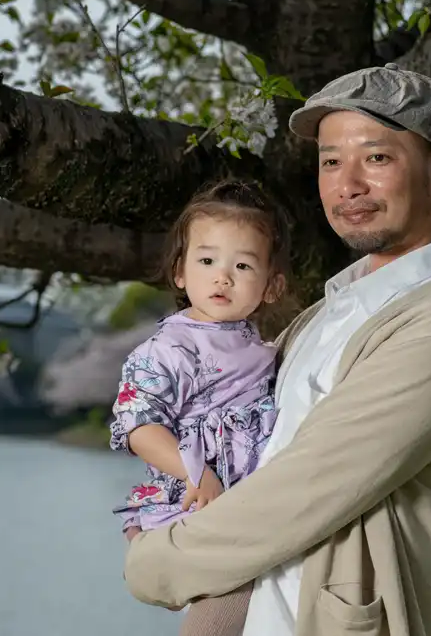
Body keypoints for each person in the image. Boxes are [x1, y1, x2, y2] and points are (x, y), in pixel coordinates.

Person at [123, 64, 431, 636]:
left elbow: (307, 488)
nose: (347, 185)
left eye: (376, 158)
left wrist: (158, 563)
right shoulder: (332, 309)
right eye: (330, 162)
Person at [108, 178, 292, 636]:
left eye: (243, 265)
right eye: (206, 260)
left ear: (272, 286)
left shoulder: (263, 349)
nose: (222, 277)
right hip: (193, 500)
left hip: (250, 506)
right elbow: (140, 428)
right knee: (231, 602)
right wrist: (194, 471)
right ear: (180, 272)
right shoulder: (168, 349)